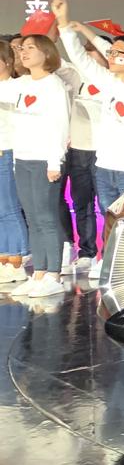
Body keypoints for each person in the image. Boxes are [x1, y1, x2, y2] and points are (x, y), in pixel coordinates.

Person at [52, 0, 124, 279]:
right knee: (108, 215)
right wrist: (64, 24)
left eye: (118, 54)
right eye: (111, 53)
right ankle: (108, 259)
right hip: (105, 166)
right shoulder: (109, 82)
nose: (111, 57)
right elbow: (80, 58)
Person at [0, 35, 70, 297]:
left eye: (31, 47)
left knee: (46, 218)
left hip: (44, 160)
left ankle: (53, 275)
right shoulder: (21, 83)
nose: (24, 52)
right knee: (32, 217)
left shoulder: (54, 85)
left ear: (47, 53)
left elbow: (60, 125)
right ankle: (39, 272)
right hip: (22, 159)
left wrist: (54, 161)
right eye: (22, 48)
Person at [54, 31, 112, 274]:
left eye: (93, 51)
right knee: (82, 204)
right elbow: (57, 63)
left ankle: (107, 255)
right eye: (86, 50)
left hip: (106, 152)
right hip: (79, 151)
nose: (88, 55)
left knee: (107, 206)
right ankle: (86, 252)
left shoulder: (113, 81)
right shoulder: (78, 77)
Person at [0, 41, 30, 285]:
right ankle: (4, 258)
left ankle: (17, 260)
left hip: (6, 151)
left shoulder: (17, 86)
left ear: (8, 62)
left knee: (9, 208)